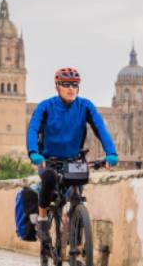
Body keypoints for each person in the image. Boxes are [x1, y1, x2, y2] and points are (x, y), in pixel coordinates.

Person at [26, 67, 118, 246]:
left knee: (77, 188)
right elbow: (33, 130)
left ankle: (73, 222)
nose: (71, 89)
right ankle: (43, 221)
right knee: (50, 178)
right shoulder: (46, 106)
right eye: (66, 85)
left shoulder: (85, 106)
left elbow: (100, 129)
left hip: (74, 160)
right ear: (57, 87)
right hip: (48, 160)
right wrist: (34, 153)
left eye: (74, 85)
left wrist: (111, 153)